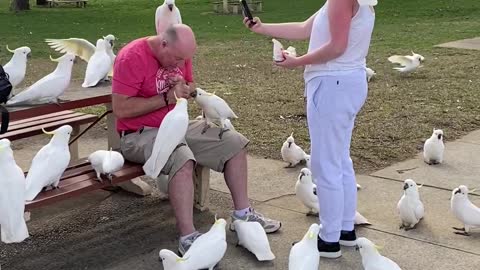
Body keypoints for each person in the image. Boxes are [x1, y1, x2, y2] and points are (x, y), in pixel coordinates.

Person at [111, 24, 281, 255]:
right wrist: (166, 97)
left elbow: (191, 86)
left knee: (234, 142)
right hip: (138, 134)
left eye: (185, 59)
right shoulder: (131, 56)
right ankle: (189, 237)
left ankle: (243, 215)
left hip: (177, 125)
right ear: (163, 44)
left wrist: (184, 88)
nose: (181, 64)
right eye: (178, 58)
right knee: (182, 158)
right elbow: (120, 109)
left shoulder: (180, 56)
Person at [243, 0, 375, 259]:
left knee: (325, 164)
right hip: (347, 81)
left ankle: (329, 240)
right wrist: (263, 28)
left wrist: (298, 61)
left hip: (332, 84)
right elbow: (306, 28)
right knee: (339, 159)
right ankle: (344, 230)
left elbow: (337, 47)